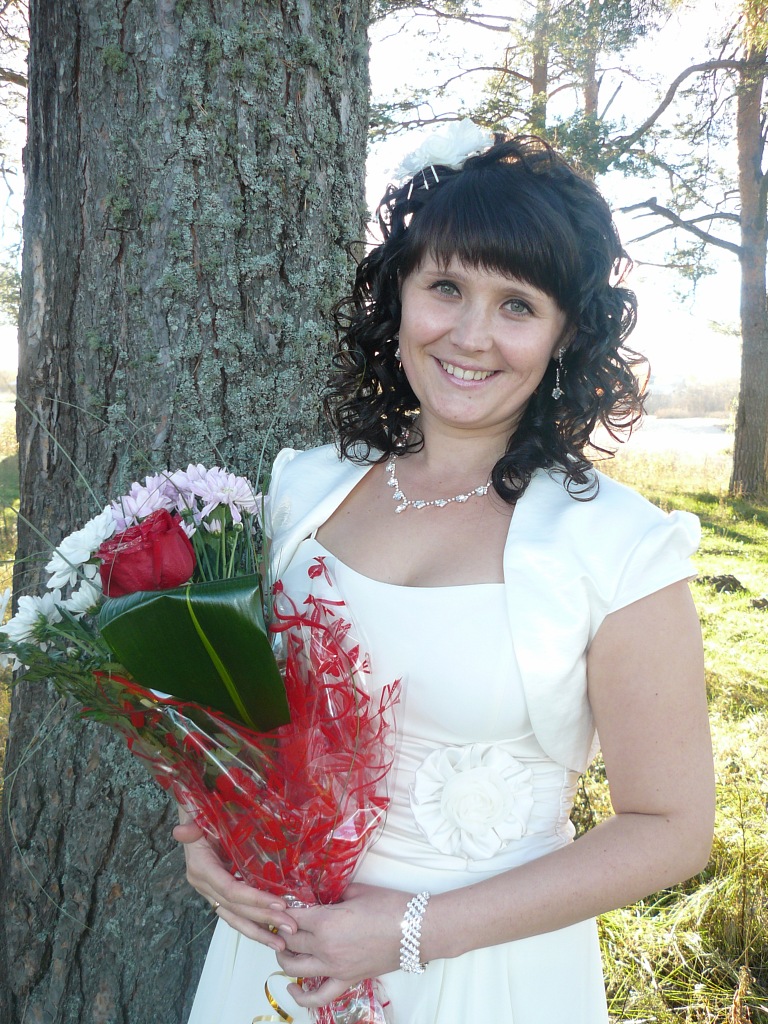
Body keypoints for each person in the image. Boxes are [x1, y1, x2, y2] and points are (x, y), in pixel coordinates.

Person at [177, 127, 715, 1024]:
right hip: (273, 952)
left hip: (481, 977)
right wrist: (206, 838)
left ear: (566, 334)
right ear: (399, 294)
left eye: (518, 305)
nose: (470, 335)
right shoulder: (304, 489)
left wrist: (411, 933)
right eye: (446, 287)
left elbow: (672, 830)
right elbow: (245, 725)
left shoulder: (619, 548)